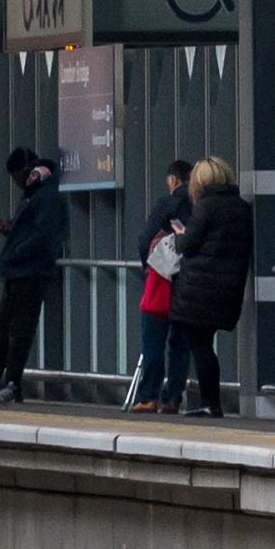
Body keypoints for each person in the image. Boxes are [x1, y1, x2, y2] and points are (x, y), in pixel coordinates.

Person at [164, 157, 253, 418]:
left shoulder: (204, 207)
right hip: (229, 287)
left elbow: (189, 245)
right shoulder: (242, 208)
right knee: (205, 343)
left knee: (200, 345)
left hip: (200, 288)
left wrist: (181, 236)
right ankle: (210, 401)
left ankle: (210, 402)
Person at [0, 147, 70, 400]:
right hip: (18, 270)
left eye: (15, 178)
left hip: (30, 271)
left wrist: (16, 249)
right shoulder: (34, 193)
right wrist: (12, 230)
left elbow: (43, 237)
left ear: (25, 172)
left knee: (19, 329)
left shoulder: (46, 196)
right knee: (4, 326)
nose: (15, 184)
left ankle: (12, 382)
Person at [126, 161, 195, 411]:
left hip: (162, 282)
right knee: (180, 343)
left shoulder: (167, 204)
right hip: (189, 284)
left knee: (153, 340)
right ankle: (173, 397)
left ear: (173, 181)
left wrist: (150, 265)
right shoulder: (200, 206)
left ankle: (148, 396)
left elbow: (145, 239)